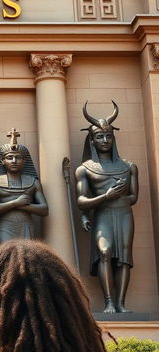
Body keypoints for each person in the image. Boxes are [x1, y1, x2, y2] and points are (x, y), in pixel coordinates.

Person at [75, 101, 138, 314]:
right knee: (105, 252)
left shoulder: (129, 167)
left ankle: (121, 303)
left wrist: (120, 196)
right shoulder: (84, 169)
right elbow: (81, 201)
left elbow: (133, 197)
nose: (104, 140)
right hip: (103, 214)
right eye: (99, 136)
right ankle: (109, 301)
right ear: (91, 140)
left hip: (123, 214)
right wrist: (106, 196)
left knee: (124, 258)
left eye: (108, 136)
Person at [0, 129, 48, 243]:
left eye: (18, 157)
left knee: (26, 258)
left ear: (24, 161)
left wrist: (20, 205)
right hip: (6, 226)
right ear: (2, 160)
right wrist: (15, 203)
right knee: (8, 255)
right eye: (9, 157)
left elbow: (44, 210)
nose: (14, 161)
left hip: (26, 226)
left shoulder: (33, 181)